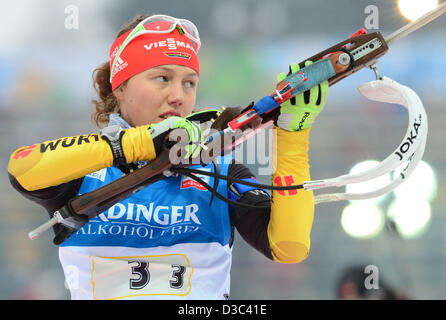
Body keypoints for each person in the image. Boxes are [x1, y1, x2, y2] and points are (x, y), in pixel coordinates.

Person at [7, 14, 328, 300]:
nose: (178, 96)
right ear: (120, 87)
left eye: (189, 83)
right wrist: (140, 143)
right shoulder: (88, 167)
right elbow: (23, 167)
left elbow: (290, 246)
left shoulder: (219, 170)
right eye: (162, 78)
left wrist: (293, 135)